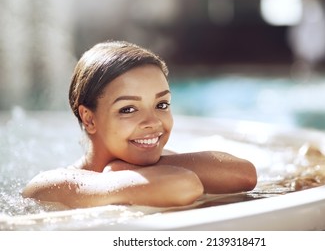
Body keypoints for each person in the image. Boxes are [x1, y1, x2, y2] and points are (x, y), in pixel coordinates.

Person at [22, 41, 257, 208]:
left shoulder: (154, 161)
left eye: (162, 104)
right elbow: (184, 185)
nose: (153, 122)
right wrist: (118, 172)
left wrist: (127, 169)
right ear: (89, 118)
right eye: (128, 109)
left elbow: (244, 175)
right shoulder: (53, 185)